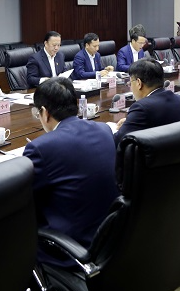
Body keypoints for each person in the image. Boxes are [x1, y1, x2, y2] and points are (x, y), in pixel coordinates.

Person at [23, 78, 119, 268]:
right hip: (112, 238)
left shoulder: (40, 148)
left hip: (72, 250)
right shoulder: (104, 129)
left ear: (44, 112)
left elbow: (26, 201)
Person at [114, 59, 180, 145]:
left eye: (130, 83)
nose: (130, 87)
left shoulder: (141, 108)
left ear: (139, 83)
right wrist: (131, 122)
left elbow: (117, 141)